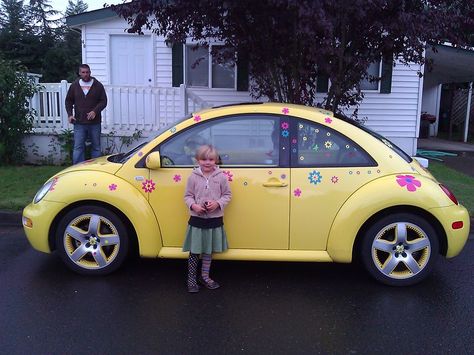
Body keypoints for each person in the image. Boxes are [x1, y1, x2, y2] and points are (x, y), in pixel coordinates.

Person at [183, 145, 231, 293]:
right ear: (198, 160)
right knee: (195, 250)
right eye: (204, 159)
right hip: (197, 219)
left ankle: (204, 276)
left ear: (216, 160)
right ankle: (191, 278)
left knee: (208, 251)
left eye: (211, 159)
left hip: (214, 219)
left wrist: (217, 204)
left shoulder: (221, 177)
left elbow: (227, 195)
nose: (207, 162)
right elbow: (187, 196)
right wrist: (194, 206)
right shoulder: (193, 177)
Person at [65, 64, 107, 164]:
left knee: (96, 147)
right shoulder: (75, 86)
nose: (85, 74)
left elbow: (103, 101)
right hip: (79, 122)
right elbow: (68, 101)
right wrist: (70, 114)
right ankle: (78, 169)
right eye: (83, 72)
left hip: (95, 123)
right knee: (78, 147)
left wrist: (95, 111)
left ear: (90, 72)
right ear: (79, 73)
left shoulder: (97, 85)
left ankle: (95, 167)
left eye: (87, 72)